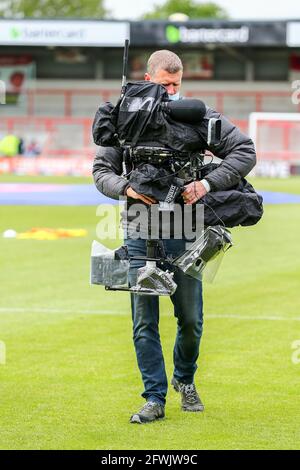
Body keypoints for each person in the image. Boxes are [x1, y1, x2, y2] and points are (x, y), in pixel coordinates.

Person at [93, 50, 256, 424]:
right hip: (138, 224)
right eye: (164, 84)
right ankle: (154, 398)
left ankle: (185, 379)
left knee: (191, 319)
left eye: (176, 85)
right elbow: (101, 169)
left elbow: (244, 150)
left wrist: (206, 183)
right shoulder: (125, 117)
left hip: (185, 226)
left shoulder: (197, 116)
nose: (170, 91)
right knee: (143, 320)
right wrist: (126, 188)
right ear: (148, 78)